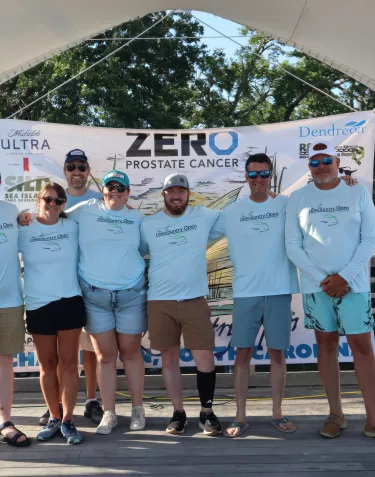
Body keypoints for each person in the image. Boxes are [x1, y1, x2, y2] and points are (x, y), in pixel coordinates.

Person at [285, 140, 375, 439]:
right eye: (314, 162)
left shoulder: (358, 190)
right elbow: (292, 246)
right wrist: (323, 278)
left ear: (338, 161)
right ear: (308, 167)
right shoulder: (297, 197)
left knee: (362, 348)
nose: (321, 166)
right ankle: (336, 415)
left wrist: (344, 277)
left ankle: (373, 416)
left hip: (355, 286)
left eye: (326, 160)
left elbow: (369, 239)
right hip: (316, 288)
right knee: (326, 346)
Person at [211, 153, 300, 437]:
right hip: (246, 293)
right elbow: (197, 229)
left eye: (263, 174)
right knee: (242, 355)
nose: (258, 180)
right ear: (246, 177)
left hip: (278, 291)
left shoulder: (286, 204)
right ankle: (239, 417)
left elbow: (317, 204)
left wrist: (346, 182)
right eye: (253, 175)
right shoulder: (232, 211)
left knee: (277, 354)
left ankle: (277, 412)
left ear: (271, 176)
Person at [65, 170, 147, 435]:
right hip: (95, 295)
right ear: (103, 190)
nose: (114, 191)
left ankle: (137, 410)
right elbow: (55, 217)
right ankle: (109, 413)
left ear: (128, 192)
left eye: (120, 187)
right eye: (110, 186)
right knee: (105, 356)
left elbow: (146, 248)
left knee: (132, 353)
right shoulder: (86, 210)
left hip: (131, 295)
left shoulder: (137, 218)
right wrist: (26, 218)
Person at [140, 173, 222, 436]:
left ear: (189, 194)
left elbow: (240, 219)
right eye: (171, 191)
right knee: (169, 358)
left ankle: (207, 412)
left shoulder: (205, 216)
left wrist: (274, 200)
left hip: (194, 299)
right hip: (159, 301)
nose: (176, 196)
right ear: (163, 194)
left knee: (205, 357)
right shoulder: (148, 224)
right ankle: (178, 412)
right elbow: (137, 251)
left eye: (181, 191)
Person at [38, 148, 103, 426]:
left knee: (91, 348)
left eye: (81, 166)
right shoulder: (55, 200)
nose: (76, 171)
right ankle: (56, 407)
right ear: (65, 171)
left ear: (88, 171)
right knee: (58, 357)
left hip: (91, 282)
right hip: (61, 286)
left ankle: (91, 400)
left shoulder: (101, 199)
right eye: (71, 167)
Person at [18, 183, 86, 445]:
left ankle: (68, 420)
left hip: (69, 301)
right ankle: (54, 418)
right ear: (39, 200)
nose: (53, 204)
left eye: (59, 201)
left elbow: (98, 208)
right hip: (38, 304)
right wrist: (19, 216)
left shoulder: (72, 225)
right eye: (48, 199)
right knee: (47, 365)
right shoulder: (24, 227)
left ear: (64, 204)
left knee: (69, 364)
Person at [0, 200, 30, 448]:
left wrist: (24, 217)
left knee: (4, 362)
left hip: (9, 301)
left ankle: (4, 421)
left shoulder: (11, 210)